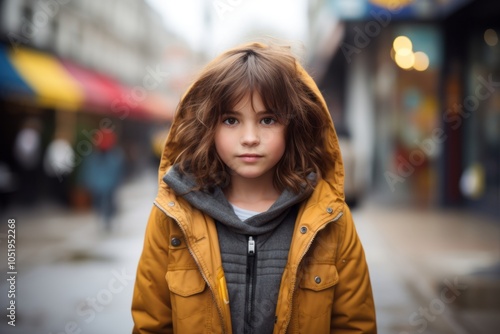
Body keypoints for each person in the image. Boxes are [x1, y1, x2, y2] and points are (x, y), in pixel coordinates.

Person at [131, 42, 376, 333]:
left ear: (292, 126)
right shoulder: (173, 218)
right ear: (208, 126)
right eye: (231, 120)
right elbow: (152, 325)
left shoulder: (330, 220)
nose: (250, 137)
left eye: (268, 119)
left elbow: (354, 326)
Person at [80, 130, 124, 232]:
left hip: (103, 185)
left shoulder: (105, 156)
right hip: (105, 185)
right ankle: (106, 219)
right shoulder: (114, 155)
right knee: (106, 202)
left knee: (104, 203)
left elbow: (90, 170)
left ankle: (106, 219)